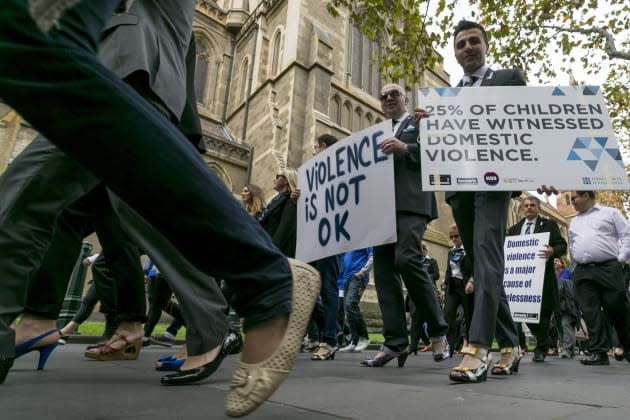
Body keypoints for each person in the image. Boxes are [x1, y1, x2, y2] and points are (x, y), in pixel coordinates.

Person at [0, 2, 320, 417]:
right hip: (118, 62)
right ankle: (264, 277)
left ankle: (265, 276)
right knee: (37, 200)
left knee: (32, 190)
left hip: (132, 63)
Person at [433, 20, 526, 383]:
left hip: (493, 183)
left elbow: (530, 128)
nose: (468, 47)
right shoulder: (449, 97)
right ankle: (512, 345)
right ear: (455, 54)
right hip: (460, 188)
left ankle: (478, 346)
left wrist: (542, 170)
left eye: (474, 41)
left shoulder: (508, 80)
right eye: (461, 44)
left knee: (488, 255)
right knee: (483, 267)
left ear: (485, 46)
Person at [361, 82, 448, 368]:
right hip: (382, 210)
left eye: (393, 94)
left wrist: (406, 147)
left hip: (411, 205)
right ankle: (395, 343)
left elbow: (437, 154)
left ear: (406, 99)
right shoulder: (376, 133)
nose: (387, 98)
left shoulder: (419, 120)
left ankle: (438, 332)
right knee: (384, 273)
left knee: (407, 259)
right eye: (383, 95)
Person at [568, 191, 630, 365]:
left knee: (617, 308)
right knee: (590, 312)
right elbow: (573, 245)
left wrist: (621, 260)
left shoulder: (610, 213)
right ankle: (599, 352)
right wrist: (575, 268)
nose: (572, 202)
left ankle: (628, 346)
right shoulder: (574, 221)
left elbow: (627, 235)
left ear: (586, 196)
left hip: (609, 267)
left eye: (574, 198)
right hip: (582, 271)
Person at [507, 196, 567, 364]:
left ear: (538, 208)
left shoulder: (549, 225)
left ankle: (540, 350)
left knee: (543, 314)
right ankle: (544, 341)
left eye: (532, 205)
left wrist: (552, 250)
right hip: (522, 281)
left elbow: (562, 245)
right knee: (524, 313)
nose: (529, 208)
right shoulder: (514, 230)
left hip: (544, 280)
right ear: (521, 209)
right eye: (525, 206)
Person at [442, 225, 474, 357]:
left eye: (456, 236)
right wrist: (444, 288)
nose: (454, 239)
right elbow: (448, 271)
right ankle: (449, 345)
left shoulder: (469, 250)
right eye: (452, 237)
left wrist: (472, 281)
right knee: (448, 314)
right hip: (452, 287)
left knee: (468, 315)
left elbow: (475, 268)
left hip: (466, 286)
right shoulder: (451, 252)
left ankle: (468, 343)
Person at [408, 241, 441, 354]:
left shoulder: (432, 261)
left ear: (425, 249)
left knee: (431, 319)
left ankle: (438, 345)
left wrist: (423, 276)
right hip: (415, 293)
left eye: (420, 248)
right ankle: (412, 347)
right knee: (416, 321)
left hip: (428, 292)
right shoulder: (414, 261)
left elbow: (436, 275)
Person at [338, 248, 373, 353]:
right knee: (347, 311)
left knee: (350, 304)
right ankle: (354, 342)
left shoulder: (366, 239)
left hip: (357, 278)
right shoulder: (350, 243)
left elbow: (372, 256)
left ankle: (364, 337)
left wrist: (362, 272)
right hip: (346, 279)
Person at [554, 257, 579, 359]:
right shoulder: (550, 275)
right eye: (553, 261)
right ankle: (568, 349)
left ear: (562, 263)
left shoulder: (568, 272)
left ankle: (567, 349)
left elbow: (575, 286)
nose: (554, 263)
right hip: (555, 305)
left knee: (566, 325)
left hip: (567, 304)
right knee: (559, 326)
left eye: (557, 261)